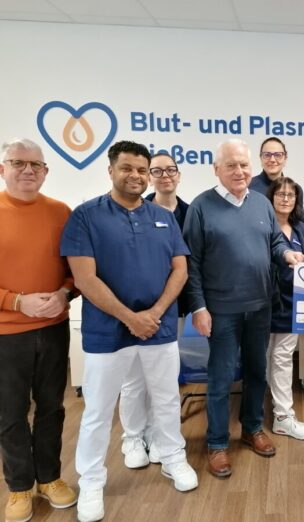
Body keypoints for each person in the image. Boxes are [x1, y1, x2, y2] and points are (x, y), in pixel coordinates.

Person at [61, 141, 197, 522]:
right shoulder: (86, 216)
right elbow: (85, 279)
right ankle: (91, 481)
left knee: (167, 399)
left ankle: (172, 457)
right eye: (127, 168)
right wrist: (129, 318)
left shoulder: (163, 217)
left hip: (159, 328)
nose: (135, 176)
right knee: (98, 410)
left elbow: (180, 270)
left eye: (141, 169)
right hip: (108, 333)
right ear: (111, 170)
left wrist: (153, 313)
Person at [183, 139, 304, 478]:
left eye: (244, 165)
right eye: (231, 165)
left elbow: (274, 241)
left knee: (256, 373)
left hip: (260, 307)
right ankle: (217, 443)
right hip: (221, 311)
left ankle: (252, 428)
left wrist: (286, 253)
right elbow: (191, 263)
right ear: (216, 169)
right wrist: (198, 307)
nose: (239, 171)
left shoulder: (262, 203)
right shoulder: (201, 207)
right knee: (221, 378)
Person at [0, 139, 77, 522]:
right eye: (18, 163)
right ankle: (19, 487)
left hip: (54, 329)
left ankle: (49, 478)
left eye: (36, 165)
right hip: (5, 334)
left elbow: (76, 272)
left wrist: (64, 294)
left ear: (46, 171)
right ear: (3, 169)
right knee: (10, 413)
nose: (28, 170)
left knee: (52, 408)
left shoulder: (61, 213)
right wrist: (17, 302)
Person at [118, 151, 190, 468]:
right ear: (149, 176)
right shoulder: (135, 211)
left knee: (163, 380)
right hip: (134, 310)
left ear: (178, 174)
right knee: (135, 379)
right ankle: (135, 436)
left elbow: (188, 265)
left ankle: (160, 435)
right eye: (157, 171)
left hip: (173, 307)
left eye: (170, 169)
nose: (164, 176)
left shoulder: (191, 212)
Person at [265, 177, 304, 440]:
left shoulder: (302, 229)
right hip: (263, 302)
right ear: (271, 197)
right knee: (263, 357)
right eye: (280, 194)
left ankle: (283, 415)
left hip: (292, 304)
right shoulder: (262, 226)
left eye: (291, 195)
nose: (285, 199)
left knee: (283, 357)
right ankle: (263, 409)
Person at [249, 137, 304, 213]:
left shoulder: (295, 189)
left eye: (278, 155)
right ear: (261, 158)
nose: (272, 160)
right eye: (267, 155)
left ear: (285, 158)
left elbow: (297, 218)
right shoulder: (248, 187)